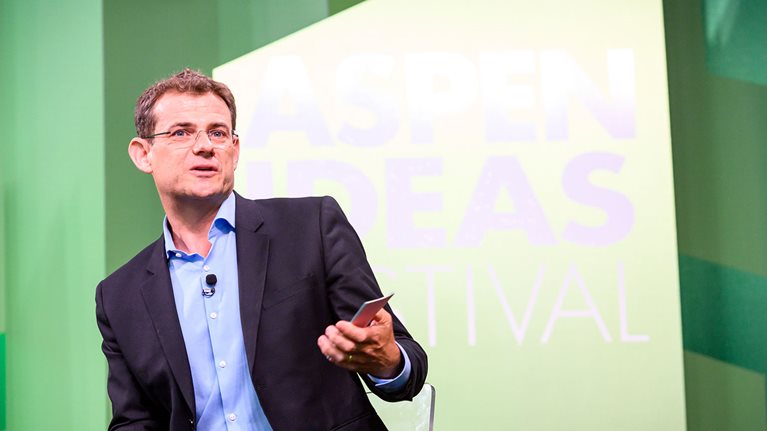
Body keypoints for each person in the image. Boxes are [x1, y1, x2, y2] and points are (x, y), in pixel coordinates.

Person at [95, 69, 427, 431]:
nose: (205, 146)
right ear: (143, 155)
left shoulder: (311, 226)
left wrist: (387, 360)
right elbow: (134, 420)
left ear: (234, 151)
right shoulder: (118, 296)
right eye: (181, 132)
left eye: (218, 133)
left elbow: (406, 364)